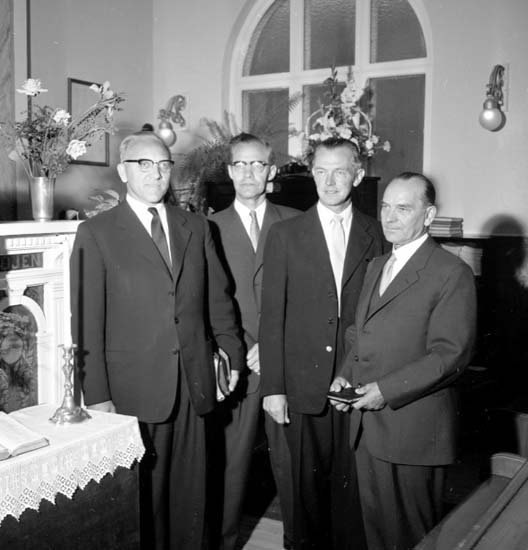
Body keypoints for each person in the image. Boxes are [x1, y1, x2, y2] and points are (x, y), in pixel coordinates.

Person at [70, 131, 245, 550]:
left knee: (192, 498)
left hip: (193, 383)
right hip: (132, 391)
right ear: (123, 171)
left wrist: (232, 356)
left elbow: (218, 300)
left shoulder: (196, 227)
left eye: (164, 165)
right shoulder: (96, 233)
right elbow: (87, 321)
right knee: (141, 503)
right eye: (144, 164)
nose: (156, 173)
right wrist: (97, 396)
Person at [331, 172, 477, 550]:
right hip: (367, 427)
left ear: (428, 216)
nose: (389, 217)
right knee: (376, 534)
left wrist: (385, 390)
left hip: (412, 433)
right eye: (385, 206)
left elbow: (450, 354)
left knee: (411, 539)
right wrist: (345, 375)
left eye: (403, 208)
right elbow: (358, 332)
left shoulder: (451, 273)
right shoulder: (378, 265)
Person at [259, 137, 387, 550]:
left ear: (358, 175)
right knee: (304, 498)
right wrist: (274, 388)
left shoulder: (377, 233)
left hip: (356, 384)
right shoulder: (285, 234)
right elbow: (271, 317)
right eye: (320, 172)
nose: (329, 182)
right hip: (302, 387)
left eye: (340, 172)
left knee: (352, 498)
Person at [209, 133, 299, 550]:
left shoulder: (297, 222)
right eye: (240, 164)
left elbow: (309, 296)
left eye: (257, 164)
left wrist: (276, 345)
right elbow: (208, 301)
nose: (248, 173)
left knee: (294, 466)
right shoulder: (208, 227)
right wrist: (241, 349)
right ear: (229, 171)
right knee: (230, 468)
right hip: (237, 365)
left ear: (271, 170)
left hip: (285, 365)